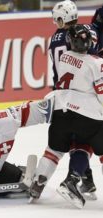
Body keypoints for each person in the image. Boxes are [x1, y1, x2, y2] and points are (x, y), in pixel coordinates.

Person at [30, 24, 103, 208]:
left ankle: (38, 183)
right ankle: (72, 180)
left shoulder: (64, 57)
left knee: (54, 149)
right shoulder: (96, 63)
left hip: (61, 111)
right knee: (88, 146)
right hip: (87, 115)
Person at [48, 0, 100, 201]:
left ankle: (83, 178)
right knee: (88, 135)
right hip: (88, 92)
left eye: (57, 19)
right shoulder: (88, 31)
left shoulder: (56, 39)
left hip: (65, 94)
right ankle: (81, 178)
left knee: (77, 137)